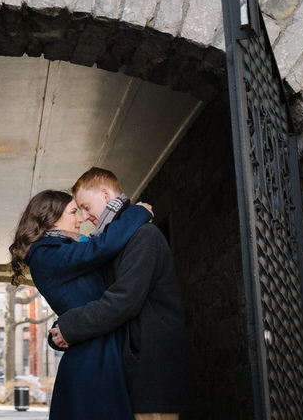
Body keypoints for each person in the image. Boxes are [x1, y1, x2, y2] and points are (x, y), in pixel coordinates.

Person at [49, 167, 190, 420]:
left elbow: (123, 300)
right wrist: (61, 329)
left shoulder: (144, 236)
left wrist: (69, 327)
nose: (84, 216)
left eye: (86, 206)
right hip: (129, 376)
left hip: (149, 376)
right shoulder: (116, 240)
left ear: (105, 194)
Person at [10, 189, 152, 419]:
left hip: (97, 352)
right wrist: (137, 212)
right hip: (92, 361)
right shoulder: (46, 254)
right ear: (51, 219)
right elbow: (103, 246)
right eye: (74, 212)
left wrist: (62, 328)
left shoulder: (59, 251)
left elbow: (78, 299)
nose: (81, 219)